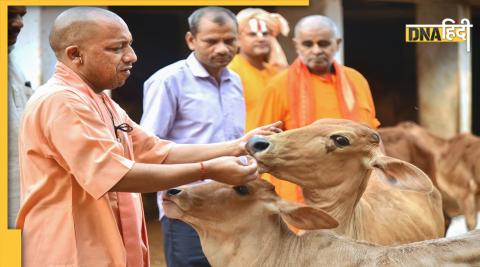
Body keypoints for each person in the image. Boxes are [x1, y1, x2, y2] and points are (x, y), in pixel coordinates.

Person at [16, 7, 280, 267]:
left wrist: (237, 147)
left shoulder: (103, 101)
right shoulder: (62, 101)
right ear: (76, 55)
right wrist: (207, 170)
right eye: (116, 48)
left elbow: (158, 151)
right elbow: (114, 175)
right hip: (71, 249)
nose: (131, 57)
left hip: (105, 245)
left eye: (128, 46)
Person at [140, 6, 253, 267]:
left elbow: (234, 141)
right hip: (187, 206)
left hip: (233, 203)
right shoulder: (168, 81)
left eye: (229, 40)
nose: (223, 49)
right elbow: (148, 148)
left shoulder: (234, 80)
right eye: (212, 41)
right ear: (191, 40)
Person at [257, 15, 380, 204]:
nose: (316, 50)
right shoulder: (278, 86)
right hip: (297, 189)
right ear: (297, 45)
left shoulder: (357, 80)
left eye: (323, 43)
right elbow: (262, 144)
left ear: (337, 43)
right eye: (308, 44)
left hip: (355, 188)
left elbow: (372, 136)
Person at [228, 8, 289, 131]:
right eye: (252, 34)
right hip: (243, 145)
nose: (261, 39)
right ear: (238, 40)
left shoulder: (276, 71)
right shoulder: (230, 69)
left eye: (266, 34)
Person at [8, 5, 33, 228]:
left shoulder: (15, 65)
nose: (18, 23)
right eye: (9, 15)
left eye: (21, 15)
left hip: (20, 206)